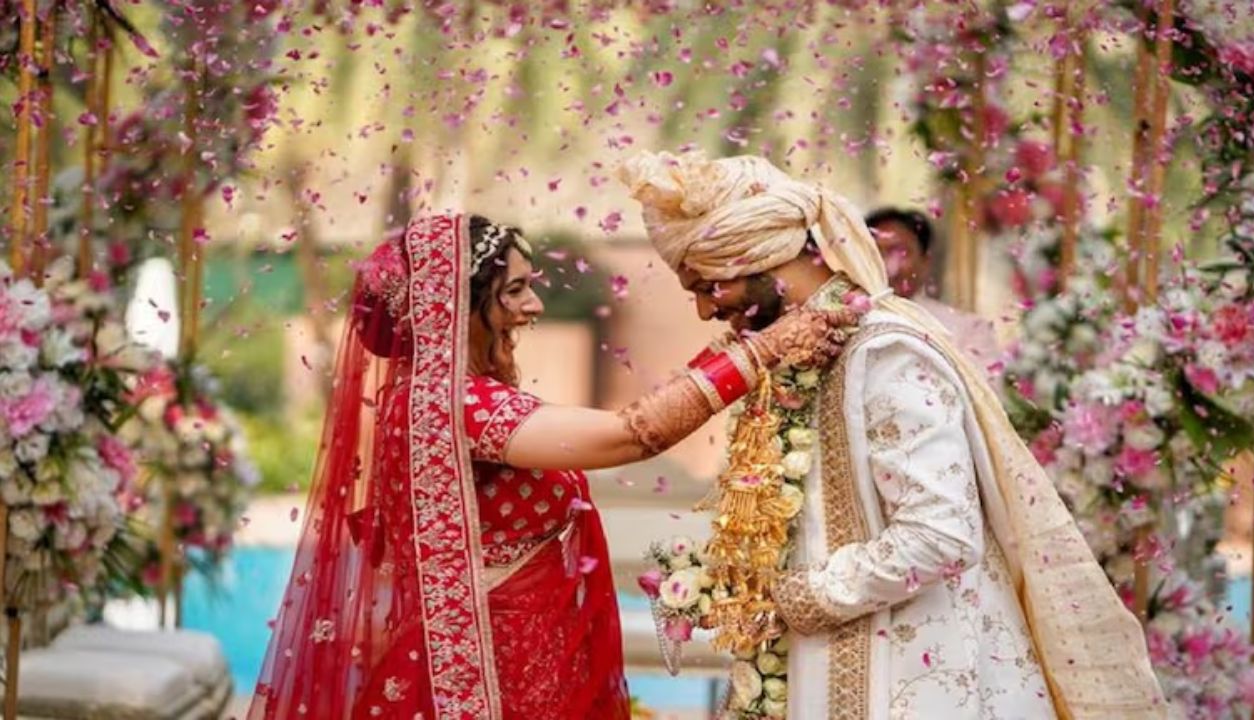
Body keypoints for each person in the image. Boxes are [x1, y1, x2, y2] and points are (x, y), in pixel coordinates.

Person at [619, 151, 1166, 719]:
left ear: (756, 257)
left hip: (913, 678)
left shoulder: (885, 351)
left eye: (708, 286)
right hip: (821, 663)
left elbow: (941, 533)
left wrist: (792, 595)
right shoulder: (795, 351)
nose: (704, 311)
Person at [247, 212, 855, 720]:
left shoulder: (444, 396)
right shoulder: (452, 404)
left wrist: (734, 348)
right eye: (513, 290)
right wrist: (762, 351)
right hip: (495, 669)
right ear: (454, 307)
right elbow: (629, 436)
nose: (533, 305)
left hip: (527, 651)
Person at [865, 206, 1002, 374]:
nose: (885, 264)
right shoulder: (843, 324)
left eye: (900, 252)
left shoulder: (968, 331)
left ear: (925, 261)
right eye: (874, 252)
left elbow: (983, 388)